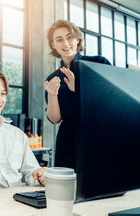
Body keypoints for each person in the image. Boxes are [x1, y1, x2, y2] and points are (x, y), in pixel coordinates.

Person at [44, 20, 111, 170]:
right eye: (59, 39)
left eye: (69, 37)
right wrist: (53, 95)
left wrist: (79, 89)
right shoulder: (52, 78)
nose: (65, 43)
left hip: (96, 135)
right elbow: (55, 119)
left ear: (78, 39)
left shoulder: (99, 63)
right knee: (66, 188)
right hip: (67, 141)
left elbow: (111, 103)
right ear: (53, 44)